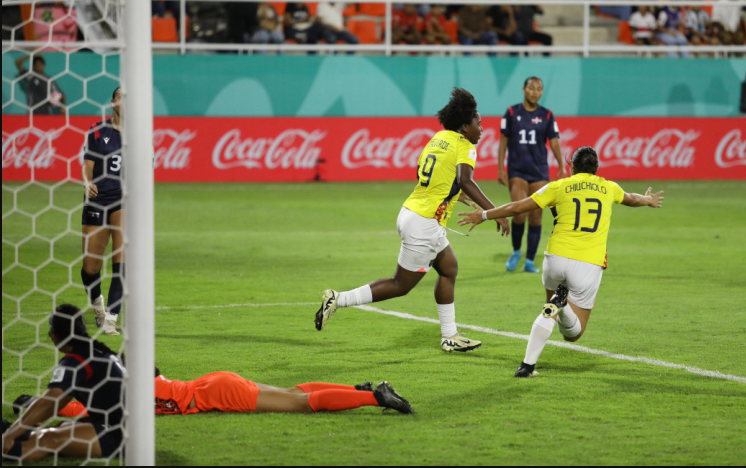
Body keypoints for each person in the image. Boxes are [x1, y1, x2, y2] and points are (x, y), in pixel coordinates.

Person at [314, 88, 510, 352]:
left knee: (449, 268)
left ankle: (450, 335)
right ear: (464, 126)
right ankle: (338, 299)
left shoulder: (438, 138)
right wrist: (494, 212)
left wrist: (452, 193)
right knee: (400, 285)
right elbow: (465, 179)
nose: (482, 128)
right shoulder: (464, 146)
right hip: (425, 223)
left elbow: (426, 173)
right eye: (478, 123)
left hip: (412, 211)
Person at [457, 146, 664, 378]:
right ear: (596, 169)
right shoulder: (609, 187)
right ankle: (562, 305)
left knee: (549, 310)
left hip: (554, 259)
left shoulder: (558, 186)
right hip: (588, 263)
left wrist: (484, 214)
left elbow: (517, 207)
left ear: (571, 167)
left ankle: (527, 366)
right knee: (573, 334)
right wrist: (648, 200)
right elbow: (631, 198)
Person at [2, 304, 125, 462]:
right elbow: (60, 400)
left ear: (53, 335)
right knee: (58, 429)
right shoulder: (95, 353)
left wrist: (11, 435)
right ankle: (11, 430)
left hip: (119, 434)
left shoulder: (76, 360)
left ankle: (7, 439)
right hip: (125, 428)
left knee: (49, 439)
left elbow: (50, 403)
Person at [13, 373, 414, 418]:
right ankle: (359, 388)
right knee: (293, 391)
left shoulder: (100, 407)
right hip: (212, 382)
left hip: (216, 395)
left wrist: (31, 409)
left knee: (295, 403)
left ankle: (374, 398)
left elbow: (73, 411)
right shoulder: (119, 383)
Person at [498, 77, 567, 274]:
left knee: (536, 217)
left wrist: (562, 165)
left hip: (539, 171)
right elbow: (503, 140)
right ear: (523, 90)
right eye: (531, 88)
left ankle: (529, 261)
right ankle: (516, 251)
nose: (535, 92)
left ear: (542, 92)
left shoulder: (547, 115)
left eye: (539, 89)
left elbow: (554, 142)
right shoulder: (512, 112)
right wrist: (500, 168)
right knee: (520, 212)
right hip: (517, 170)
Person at [81, 87, 125, 336]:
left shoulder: (140, 135)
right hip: (97, 199)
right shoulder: (97, 130)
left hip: (124, 199)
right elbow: (87, 165)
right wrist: (88, 183)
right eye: (122, 97)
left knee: (121, 259)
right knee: (90, 268)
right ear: (113, 102)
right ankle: (98, 304)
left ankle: (111, 318)